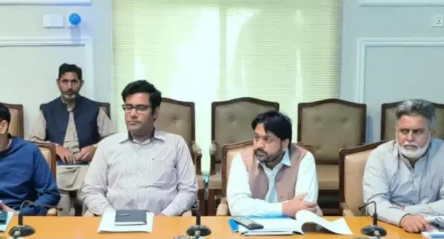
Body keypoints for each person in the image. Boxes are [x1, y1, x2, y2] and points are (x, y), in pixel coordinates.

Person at [79, 79, 197, 216]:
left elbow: (188, 190)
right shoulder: (107, 145)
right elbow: (91, 190)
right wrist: (112, 216)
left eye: (141, 108)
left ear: (155, 112)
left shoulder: (175, 144)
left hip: (162, 221)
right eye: (128, 107)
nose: (133, 114)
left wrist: (165, 215)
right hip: (115, 222)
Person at [361, 100, 444, 233]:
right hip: (390, 227)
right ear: (396, 131)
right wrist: (403, 218)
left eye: (418, 132)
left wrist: (406, 211)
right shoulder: (379, 156)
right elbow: (374, 203)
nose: (410, 138)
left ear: (431, 133)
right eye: (404, 131)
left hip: (433, 229)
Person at [28, 64, 115, 213]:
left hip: (88, 167)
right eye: (65, 81)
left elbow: (112, 138)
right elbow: (33, 141)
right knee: (60, 199)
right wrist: (55, 147)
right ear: (58, 83)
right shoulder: (48, 110)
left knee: (90, 197)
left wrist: (95, 148)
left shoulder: (94, 108)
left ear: (81, 84)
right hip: (58, 167)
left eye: (74, 81)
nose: (69, 86)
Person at [226, 111, 318, 218]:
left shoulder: (304, 159)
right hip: (252, 226)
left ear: (285, 144)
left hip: (291, 226)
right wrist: (284, 208)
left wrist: (254, 207)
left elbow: (305, 205)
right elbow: (237, 206)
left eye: (267, 139)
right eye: (256, 138)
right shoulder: (241, 160)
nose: (259, 145)